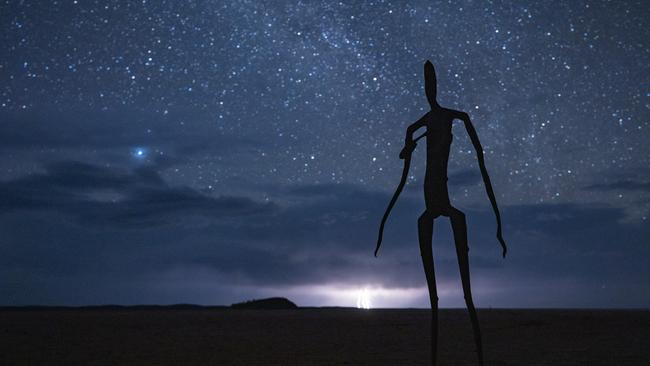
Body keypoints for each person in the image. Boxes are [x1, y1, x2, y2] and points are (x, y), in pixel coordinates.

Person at [375, 60, 507, 366]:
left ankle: (478, 354)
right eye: (426, 84)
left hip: (444, 199)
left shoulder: (453, 116)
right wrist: (407, 147)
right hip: (429, 200)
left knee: (467, 292)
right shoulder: (421, 122)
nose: (429, 90)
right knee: (432, 297)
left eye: (432, 83)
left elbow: (480, 159)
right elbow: (407, 142)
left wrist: (498, 224)